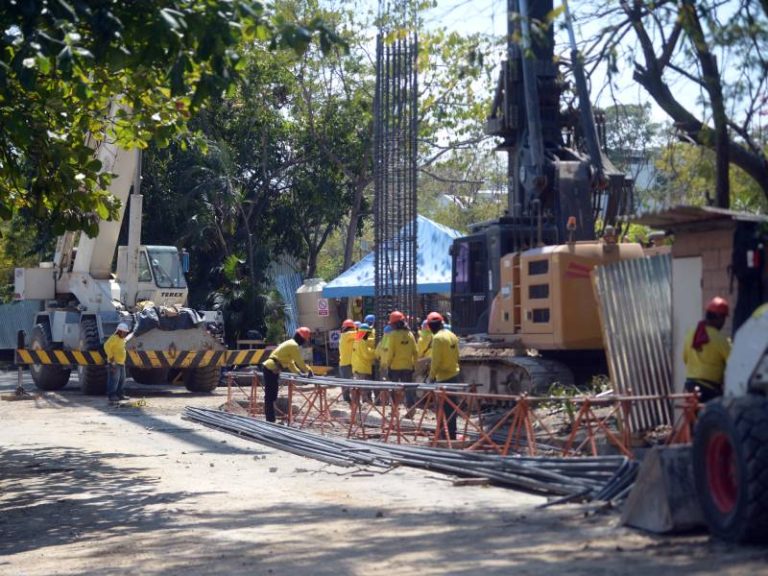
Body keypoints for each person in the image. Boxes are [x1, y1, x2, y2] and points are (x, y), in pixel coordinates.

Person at [683, 296, 732, 402]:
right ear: (718, 318)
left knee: (691, 417)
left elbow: (685, 358)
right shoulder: (720, 339)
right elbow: (734, 363)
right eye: (723, 318)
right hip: (709, 391)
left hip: (690, 387)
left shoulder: (690, 333)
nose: (723, 323)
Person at [262, 327, 313, 423]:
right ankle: (270, 420)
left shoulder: (290, 343)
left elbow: (291, 363)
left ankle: (270, 419)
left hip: (272, 368)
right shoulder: (293, 346)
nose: (304, 342)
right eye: (305, 340)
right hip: (271, 368)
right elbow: (299, 361)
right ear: (301, 339)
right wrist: (308, 370)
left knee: (272, 396)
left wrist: (299, 373)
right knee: (270, 396)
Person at [427, 311, 461, 440]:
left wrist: (431, 377)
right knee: (452, 408)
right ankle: (452, 435)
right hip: (454, 374)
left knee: (441, 409)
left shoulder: (436, 338)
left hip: (443, 378)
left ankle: (442, 436)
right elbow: (457, 355)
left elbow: (436, 360)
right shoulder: (452, 335)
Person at [385, 310, 417, 407]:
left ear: (395, 324)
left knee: (394, 388)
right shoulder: (410, 334)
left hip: (395, 367)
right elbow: (415, 352)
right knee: (408, 389)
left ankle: (395, 409)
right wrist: (413, 365)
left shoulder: (393, 335)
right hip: (408, 366)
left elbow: (390, 353)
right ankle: (411, 407)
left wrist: (388, 365)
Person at [105, 322, 132, 404]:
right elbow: (106, 346)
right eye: (124, 332)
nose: (125, 333)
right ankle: (112, 395)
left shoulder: (122, 339)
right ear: (119, 331)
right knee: (114, 380)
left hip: (121, 363)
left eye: (126, 332)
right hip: (114, 363)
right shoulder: (114, 338)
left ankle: (120, 394)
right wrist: (111, 358)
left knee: (122, 380)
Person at [351, 323, 376, 402]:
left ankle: (356, 403)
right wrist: (376, 352)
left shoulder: (357, 339)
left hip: (357, 367)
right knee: (365, 388)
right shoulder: (362, 341)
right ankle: (366, 403)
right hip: (363, 368)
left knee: (358, 387)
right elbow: (367, 354)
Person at [338, 319, 357, 402]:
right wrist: (367, 327)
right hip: (346, 364)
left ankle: (349, 399)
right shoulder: (347, 335)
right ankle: (347, 400)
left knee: (347, 383)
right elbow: (365, 335)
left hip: (347, 363)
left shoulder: (346, 336)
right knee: (346, 383)